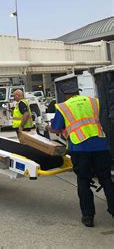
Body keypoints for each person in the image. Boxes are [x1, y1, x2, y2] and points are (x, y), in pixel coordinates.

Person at [48, 84, 114, 227]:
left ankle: (88, 216)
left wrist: (49, 127)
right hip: (100, 145)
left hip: (80, 147)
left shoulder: (63, 107)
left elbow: (56, 128)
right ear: (78, 92)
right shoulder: (94, 101)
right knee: (106, 179)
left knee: (83, 181)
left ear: (65, 94)